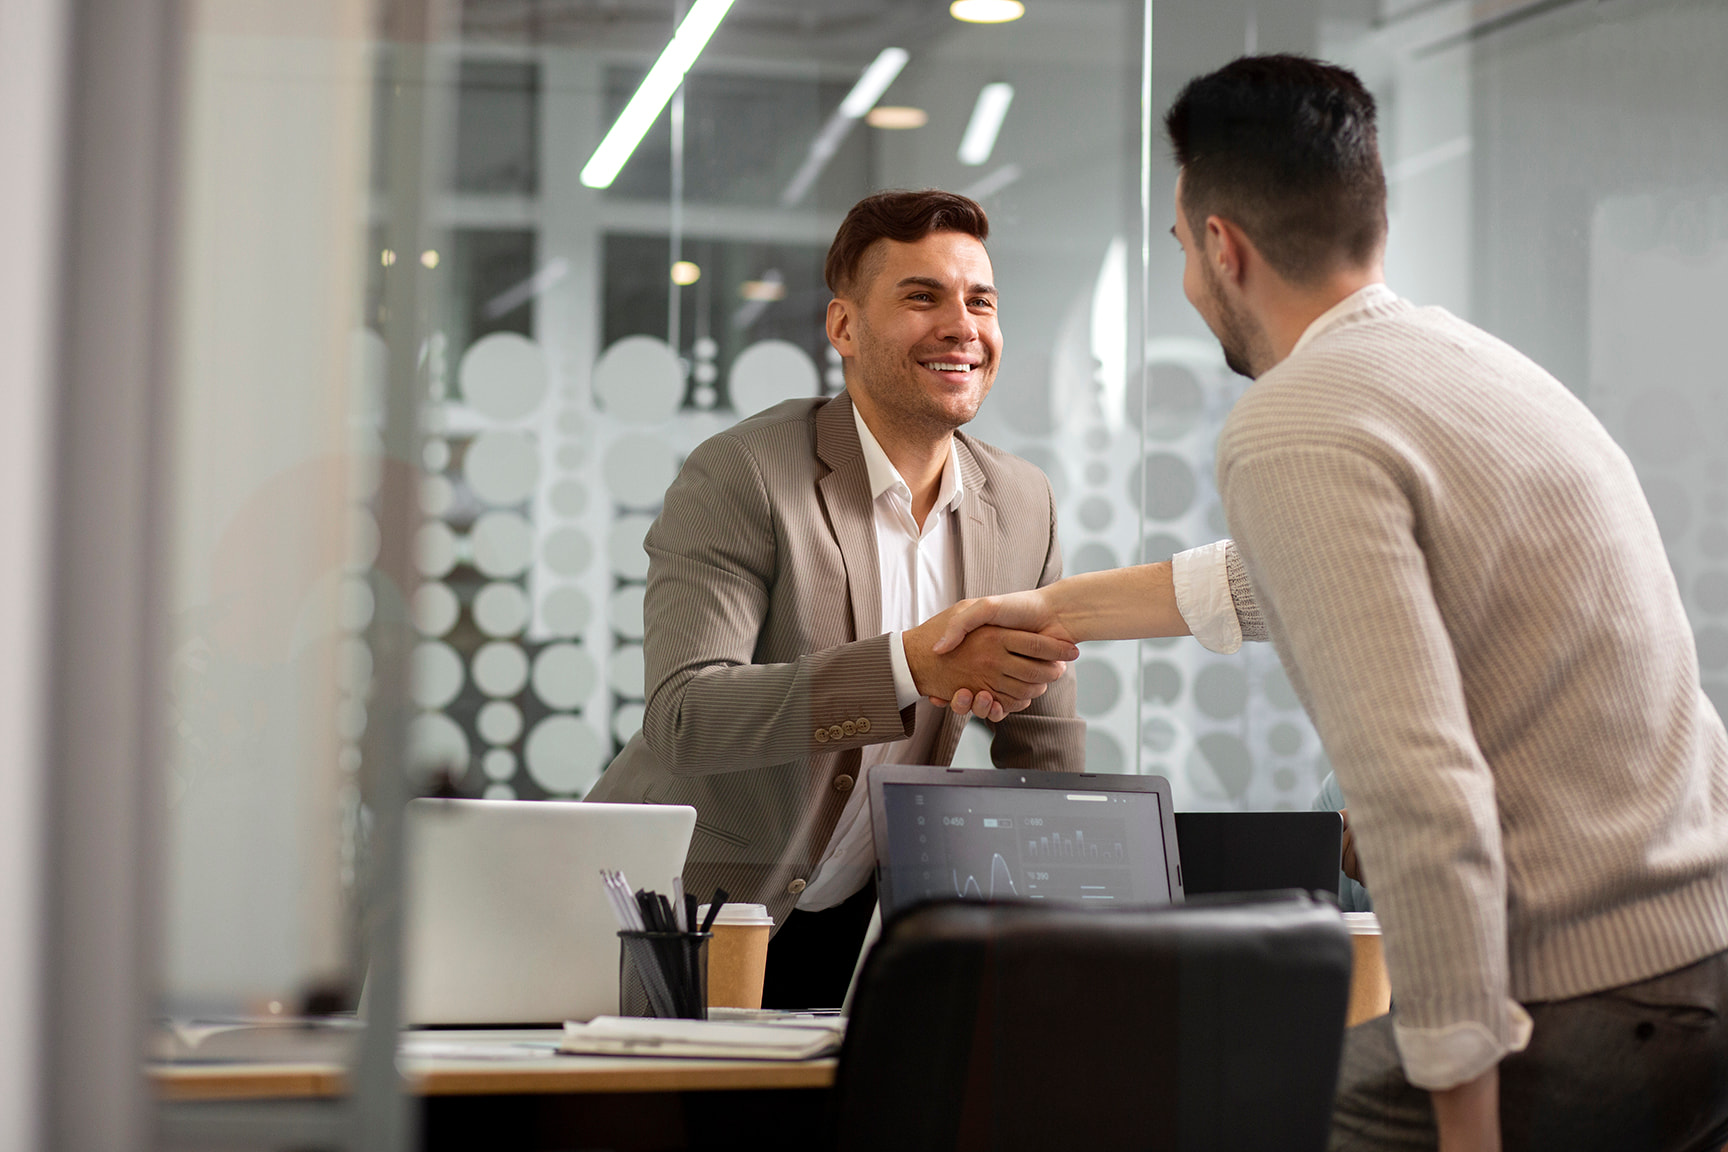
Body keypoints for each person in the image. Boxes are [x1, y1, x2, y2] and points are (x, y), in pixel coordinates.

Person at [929, 56, 1728, 1151]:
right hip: (1700, 970)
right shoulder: (1473, 371)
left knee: (1163, 1107)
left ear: (1223, 249)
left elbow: (1418, 791)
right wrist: (1050, 611)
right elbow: (1286, 576)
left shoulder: (1296, 420)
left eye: (1179, 250)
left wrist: (1465, 1114)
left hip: (1584, 1008)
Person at [587, 189, 1259, 1008]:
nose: (962, 327)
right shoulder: (747, 473)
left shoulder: (1020, 500)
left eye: (981, 300)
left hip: (843, 914)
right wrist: (910, 665)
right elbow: (687, 715)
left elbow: (1042, 743)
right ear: (843, 328)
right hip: (681, 913)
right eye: (922, 297)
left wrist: (1073, 942)